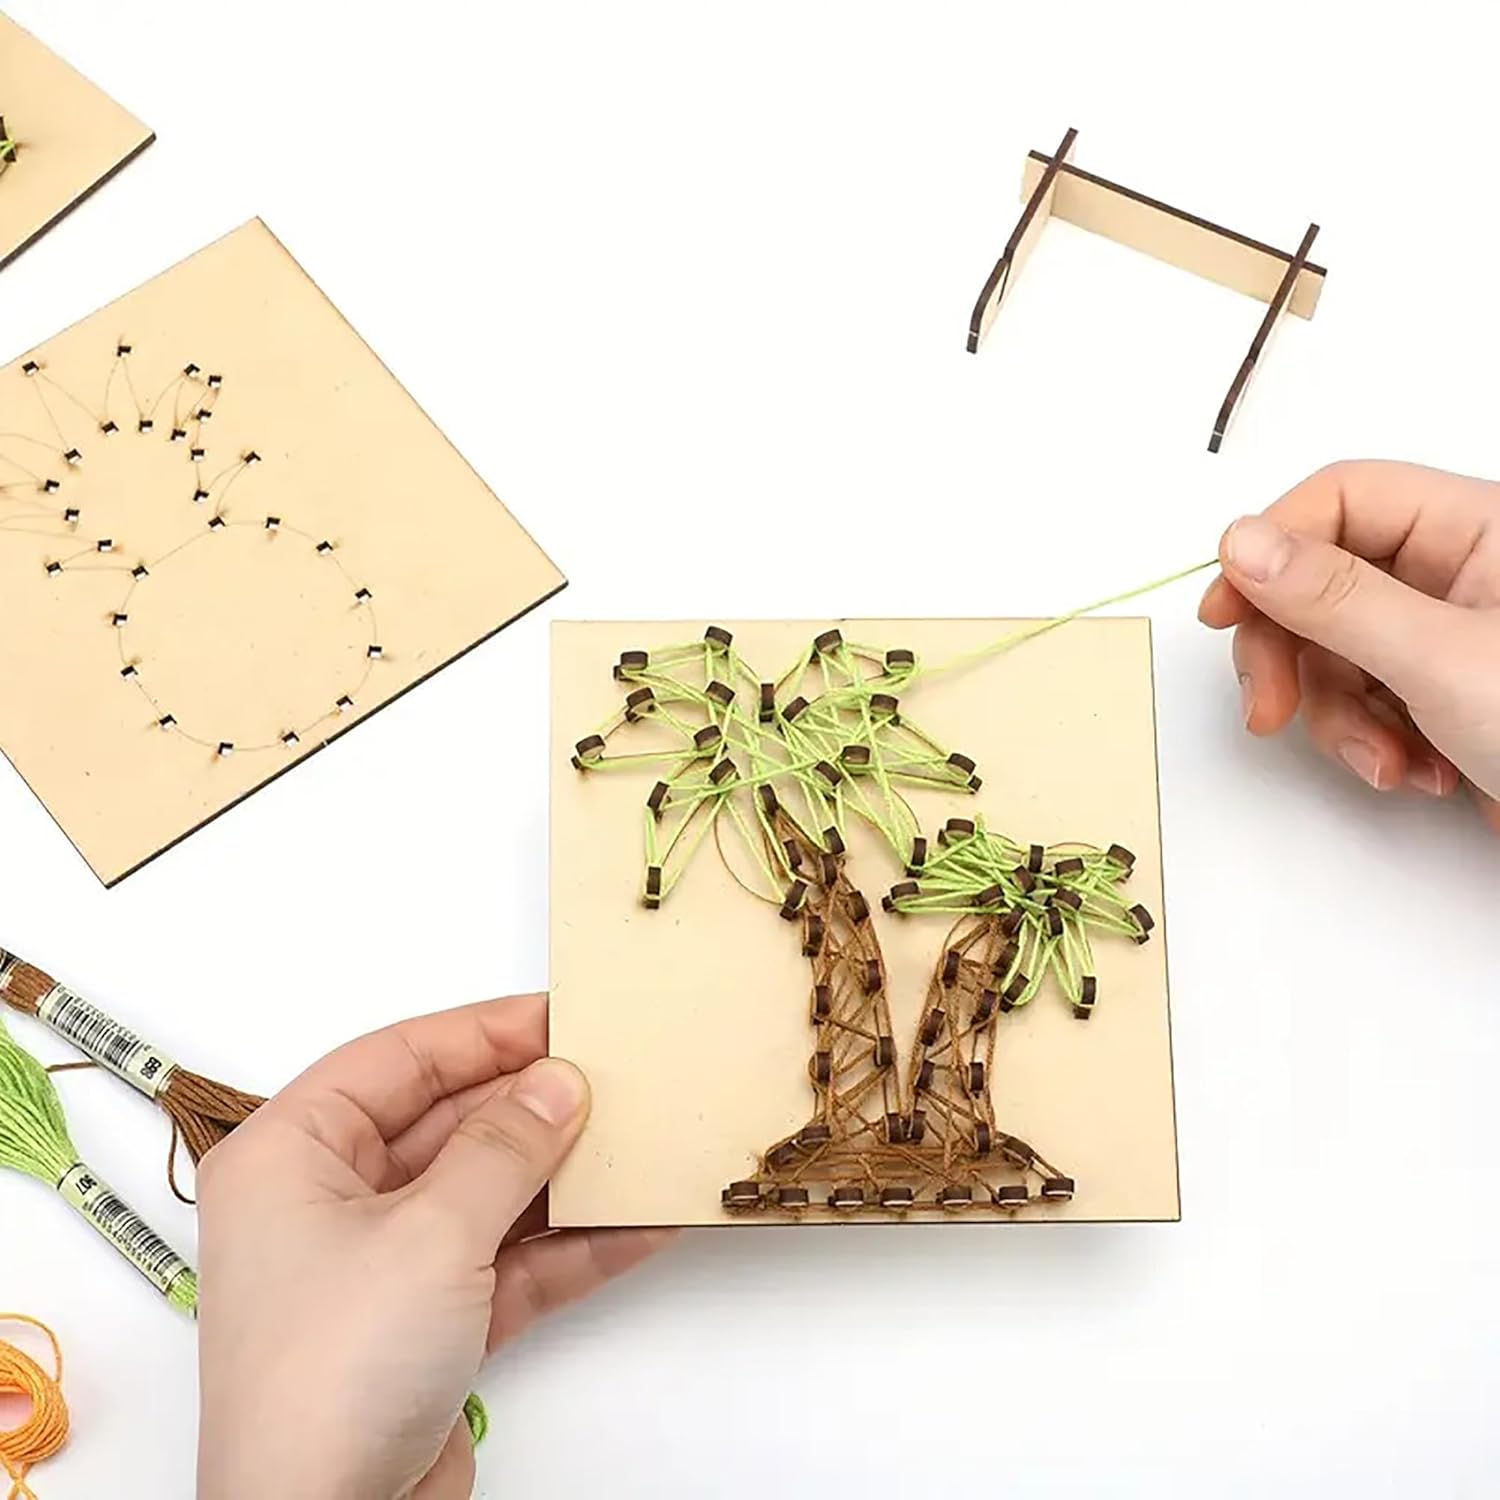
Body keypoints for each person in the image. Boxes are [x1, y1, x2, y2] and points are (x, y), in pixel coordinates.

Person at [195, 459, 1500, 1497]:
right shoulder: (745, 770)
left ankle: (928, 1124)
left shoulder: (968, 859)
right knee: (842, 934)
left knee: (891, 968)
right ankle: (896, 1122)